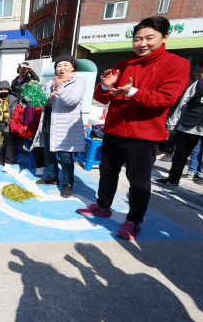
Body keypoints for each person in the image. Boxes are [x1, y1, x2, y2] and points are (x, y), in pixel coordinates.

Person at [76, 16, 190, 239]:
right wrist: (105, 86)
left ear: (165, 37)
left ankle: (133, 221)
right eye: (137, 39)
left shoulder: (176, 64)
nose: (142, 43)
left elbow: (165, 99)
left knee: (138, 182)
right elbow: (102, 97)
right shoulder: (122, 65)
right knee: (107, 173)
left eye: (149, 38)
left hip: (143, 135)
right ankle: (103, 206)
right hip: (113, 130)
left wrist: (131, 91)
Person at [154, 71, 203, 203]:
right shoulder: (202, 82)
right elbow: (184, 101)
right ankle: (172, 180)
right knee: (179, 156)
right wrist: (173, 123)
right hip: (189, 125)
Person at [32, 55, 85, 198]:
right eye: (59, 65)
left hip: (66, 127)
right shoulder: (50, 82)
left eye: (65, 65)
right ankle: (52, 177)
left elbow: (73, 100)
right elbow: (44, 101)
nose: (61, 68)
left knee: (66, 157)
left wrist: (60, 89)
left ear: (73, 67)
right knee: (49, 153)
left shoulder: (78, 82)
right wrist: (36, 94)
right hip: (50, 122)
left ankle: (68, 183)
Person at [9, 93, 46, 175]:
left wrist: (31, 132)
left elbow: (39, 122)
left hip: (32, 131)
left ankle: (39, 167)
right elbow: (13, 119)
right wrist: (15, 130)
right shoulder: (20, 105)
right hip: (20, 130)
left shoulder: (39, 106)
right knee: (11, 141)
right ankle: (8, 162)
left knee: (37, 145)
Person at [0, 80, 19, 168]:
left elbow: (14, 115)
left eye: (5, 89)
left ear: (9, 90)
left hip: (8, 124)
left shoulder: (14, 100)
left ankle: (3, 155)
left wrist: (9, 126)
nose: (3, 91)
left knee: (8, 136)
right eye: (1, 89)